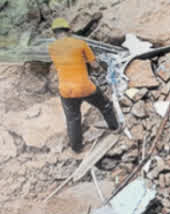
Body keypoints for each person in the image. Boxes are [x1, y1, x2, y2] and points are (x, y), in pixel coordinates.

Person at [47, 18, 120, 152]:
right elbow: (94, 65)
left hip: (66, 90)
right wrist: (101, 70)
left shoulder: (51, 48)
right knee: (105, 106)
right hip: (84, 87)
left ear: (54, 34)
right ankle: (115, 128)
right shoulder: (80, 43)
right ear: (69, 31)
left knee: (72, 119)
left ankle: (76, 147)